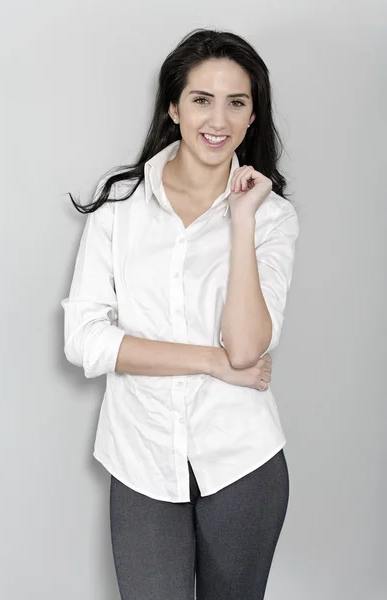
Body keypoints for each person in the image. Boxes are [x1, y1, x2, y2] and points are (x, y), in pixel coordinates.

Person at [61, 28, 299, 600]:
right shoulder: (119, 206)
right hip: (140, 460)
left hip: (242, 463)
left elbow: (247, 350)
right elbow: (85, 341)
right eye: (201, 99)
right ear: (173, 106)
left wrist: (241, 220)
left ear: (251, 116)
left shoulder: (272, 219)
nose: (218, 119)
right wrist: (212, 364)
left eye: (236, 102)